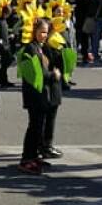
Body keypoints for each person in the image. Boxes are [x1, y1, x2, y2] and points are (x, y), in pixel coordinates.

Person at [17, 16, 63, 175]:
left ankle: (35, 155)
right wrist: (53, 75)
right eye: (41, 31)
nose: (44, 35)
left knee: (40, 127)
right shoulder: (30, 48)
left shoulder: (43, 47)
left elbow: (55, 61)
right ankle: (26, 158)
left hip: (43, 95)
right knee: (34, 127)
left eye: (46, 32)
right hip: (34, 95)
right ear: (34, 31)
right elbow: (38, 72)